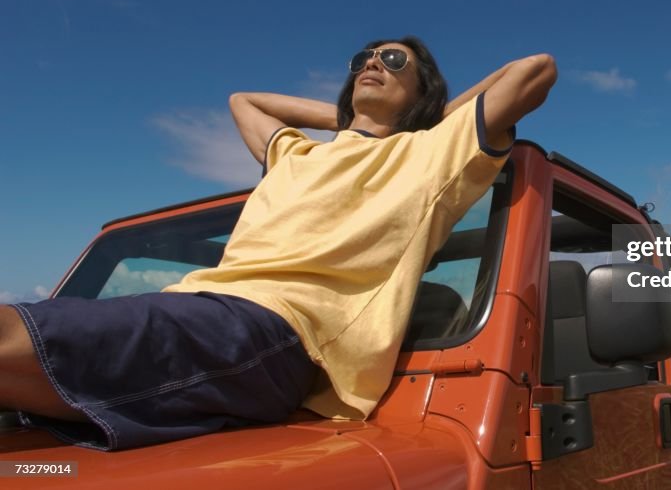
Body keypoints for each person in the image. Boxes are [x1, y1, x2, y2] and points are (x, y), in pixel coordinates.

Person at [0, 37, 557, 450]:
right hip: (197, 311)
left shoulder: (431, 155)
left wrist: (428, 120)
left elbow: (533, 71)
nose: (371, 63)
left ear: (423, 91)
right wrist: (344, 118)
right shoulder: (296, 156)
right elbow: (244, 102)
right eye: (364, 58)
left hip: (278, 331)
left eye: (393, 62)